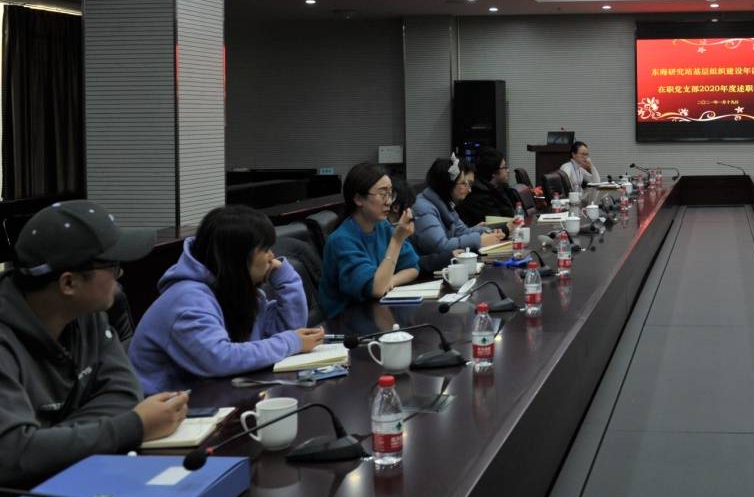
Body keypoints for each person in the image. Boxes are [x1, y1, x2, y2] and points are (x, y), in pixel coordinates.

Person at [0, 201, 187, 487]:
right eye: (112, 266)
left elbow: (125, 395)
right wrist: (134, 427)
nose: (121, 274)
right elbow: (13, 455)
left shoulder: (88, 315)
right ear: (68, 284)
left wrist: (47, 444)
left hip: (62, 481)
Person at [129, 206, 325, 395]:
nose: (272, 256)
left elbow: (285, 332)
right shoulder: (187, 299)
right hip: (168, 410)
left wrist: (285, 279)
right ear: (238, 257)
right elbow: (220, 358)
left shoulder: (234, 289)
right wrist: (291, 342)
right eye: (265, 249)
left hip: (211, 396)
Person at [320, 162, 421, 319]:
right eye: (382, 194)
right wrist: (397, 240)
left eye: (390, 194)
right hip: (347, 321)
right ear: (358, 199)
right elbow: (376, 289)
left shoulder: (382, 226)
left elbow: (413, 268)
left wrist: (390, 281)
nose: (389, 201)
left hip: (377, 312)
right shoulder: (341, 240)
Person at [411, 155, 507, 273]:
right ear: (447, 184)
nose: (469, 189)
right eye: (464, 183)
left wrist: (486, 232)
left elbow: (461, 231)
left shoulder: (444, 203)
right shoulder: (423, 209)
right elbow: (440, 247)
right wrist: (479, 240)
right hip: (424, 274)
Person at [457, 148, 518, 226]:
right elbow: (498, 225)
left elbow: (513, 214)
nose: (508, 170)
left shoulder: (500, 187)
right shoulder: (479, 195)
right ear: (493, 173)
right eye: (504, 167)